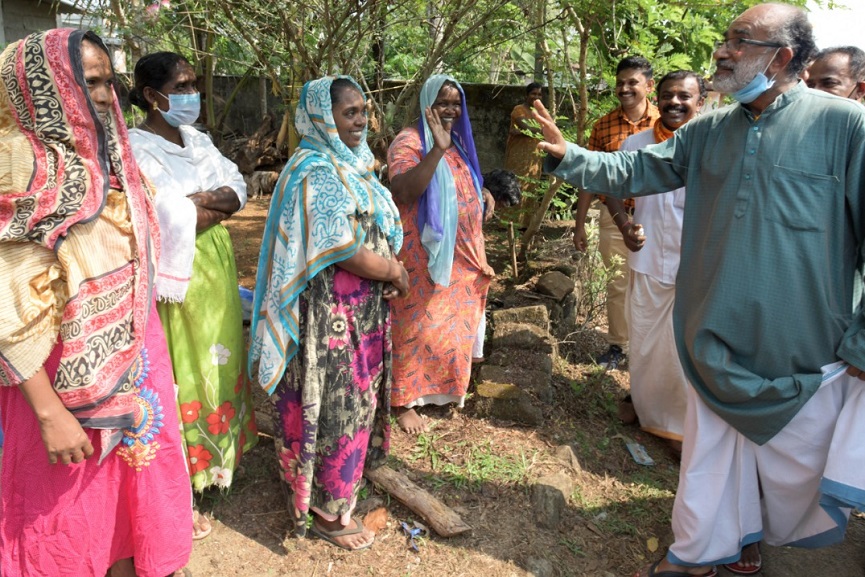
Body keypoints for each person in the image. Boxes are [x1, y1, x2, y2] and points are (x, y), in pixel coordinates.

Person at [533, 4, 865, 576]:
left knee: (786, 468)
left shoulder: (845, 126)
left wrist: (861, 342)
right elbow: (636, 172)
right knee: (709, 459)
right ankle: (698, 554)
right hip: (714, 335)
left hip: (807, 348)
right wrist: (570, 157)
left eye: (740, 41)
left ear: (782, 56)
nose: (722, 51)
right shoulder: (708, 129)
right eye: (725, 40)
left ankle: (750, 540)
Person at [0, 29, 192, 576]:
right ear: (43, 89)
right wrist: (49, 413)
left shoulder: (111, 159)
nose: (106, 95)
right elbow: (6, 309)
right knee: (62, 511)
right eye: (91, 81)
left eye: (110, 81)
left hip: (135, 365)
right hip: (56, 385)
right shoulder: (18, 171)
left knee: (135, 497)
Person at [249, 76, 407, 551]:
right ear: (322, 116)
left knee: (357, 400)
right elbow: (341, 249)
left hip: (361, 312)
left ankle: (342, 486)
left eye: (363, 111)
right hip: (329, 317)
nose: (360, 121)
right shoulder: (315, 171)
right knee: (336, 403)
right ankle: (326, 510)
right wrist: (393, 271)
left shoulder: (354, 165)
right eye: (348, 112)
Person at [127, 51, 258, 539]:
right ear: (151, 96)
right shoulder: (137, 150)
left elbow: (238, 188)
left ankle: (222, 458)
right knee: (186, 364)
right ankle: (186, 472)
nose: (191, 95)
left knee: (222, 356)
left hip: (218, 267)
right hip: (178, 277)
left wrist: (201, 201)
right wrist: (206, 203)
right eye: (181, 87)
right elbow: (170, 219)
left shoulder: (197, 140)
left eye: (192, 84)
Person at [387, 75, 495, 435]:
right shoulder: (410, 141)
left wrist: (483, 193)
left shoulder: (459, 144)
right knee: (414, 323)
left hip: (462, 258)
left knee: (446, 325)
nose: (450, 109)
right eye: (442, 103)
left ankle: (441, 391)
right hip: (422, 256)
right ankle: (402, 401)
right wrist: (435, 148)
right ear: (426, 105)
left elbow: (463, 181)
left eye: (455, 103)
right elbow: (403, 190)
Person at [604, 71, 706, 455]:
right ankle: (650, 413)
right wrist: (625, 225)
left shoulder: (712, 143)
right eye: (667, 95)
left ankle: (681, 428)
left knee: (686, 349)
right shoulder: (637, 144)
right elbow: (611, 187)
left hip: (698, 266)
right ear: (656, 99)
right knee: (647, 343)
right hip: (648, 261)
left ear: (702, 101)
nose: (675, 102)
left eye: (685, 96)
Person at [572, 56, 659, 371]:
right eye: (620, 83)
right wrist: (580, 225)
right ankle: (618, 346)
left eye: (632, 82)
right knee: (618, 283)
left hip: (657, 216)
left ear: (649, 85)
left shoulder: (665, 123)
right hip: (613, 216)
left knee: (653, 282)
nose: (624, 88)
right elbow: (589, 177)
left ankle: (649, 348)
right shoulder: (603, 125)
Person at [504, 82, 544, 224]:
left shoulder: (541, 112)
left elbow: (541, 130)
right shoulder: (519, 109)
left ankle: (526, 223)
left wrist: (521, 132)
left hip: (535, 155)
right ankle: (509, 222)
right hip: (518, 154)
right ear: (526, 95)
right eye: (533, 93)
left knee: (531, 185)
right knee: (515, 183)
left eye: (539, 94)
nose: (536, 96)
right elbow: (525, 126)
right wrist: (534, 131)